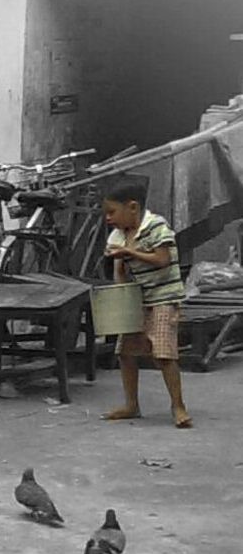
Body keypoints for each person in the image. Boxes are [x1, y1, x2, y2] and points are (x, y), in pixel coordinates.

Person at [100, 176, 192, 428]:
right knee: (126, 352)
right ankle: (131, 405)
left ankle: (178, 406)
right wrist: (121, 298)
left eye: (112, 212)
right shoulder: (118, 236)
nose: (108, 218)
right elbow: (119, 271)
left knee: (163, 352)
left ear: (132, 207)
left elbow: (161, 260)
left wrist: (130, 252)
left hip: (164, 296)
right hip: (139, 298)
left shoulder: (157, 226)